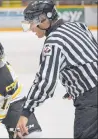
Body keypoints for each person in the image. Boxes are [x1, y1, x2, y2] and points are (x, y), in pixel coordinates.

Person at [15, 0, 98, 138]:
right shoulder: (79, 26)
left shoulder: (54, 41)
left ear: (43, 20)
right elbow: (90, 56)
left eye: (31, 23)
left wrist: (26, 111)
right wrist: (74, 86)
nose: (31, 28)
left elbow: (46, 81)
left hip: (91, 100)